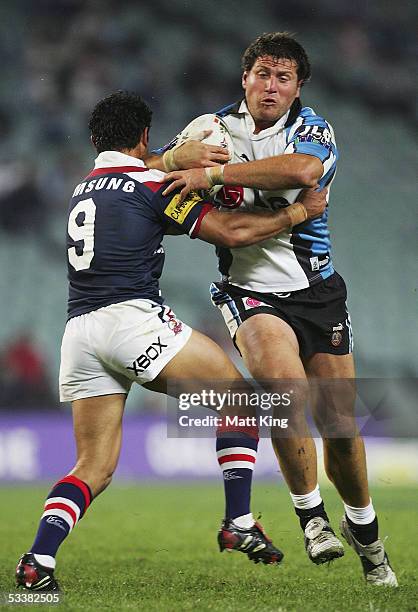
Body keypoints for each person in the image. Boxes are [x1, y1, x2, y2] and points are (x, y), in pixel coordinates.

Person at [15, 91, 327, 591]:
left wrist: (173, 165)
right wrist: (297, 214)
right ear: (143, 137)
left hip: (78, 333)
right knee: (242, 401)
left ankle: (38, 563)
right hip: (131, 321)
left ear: (95, 139)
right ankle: (238, 522)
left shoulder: (82, 189)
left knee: (93, 466)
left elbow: (136, 199)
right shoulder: (150, 183)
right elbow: (231, 231)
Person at [156, 33, 398, 587]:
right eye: (262, 74)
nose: (271, 86)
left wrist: (214, 176)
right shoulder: (209, 131)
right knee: (283, 391)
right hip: (250, 293)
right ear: (245, 78)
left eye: (282, 78)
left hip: (318, 291)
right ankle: (311, 516)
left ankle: (367, 535)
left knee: (339, 425)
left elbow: (303, 173)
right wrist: (175, 161)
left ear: (297, 88)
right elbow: (160, 173)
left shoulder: (313, 129)